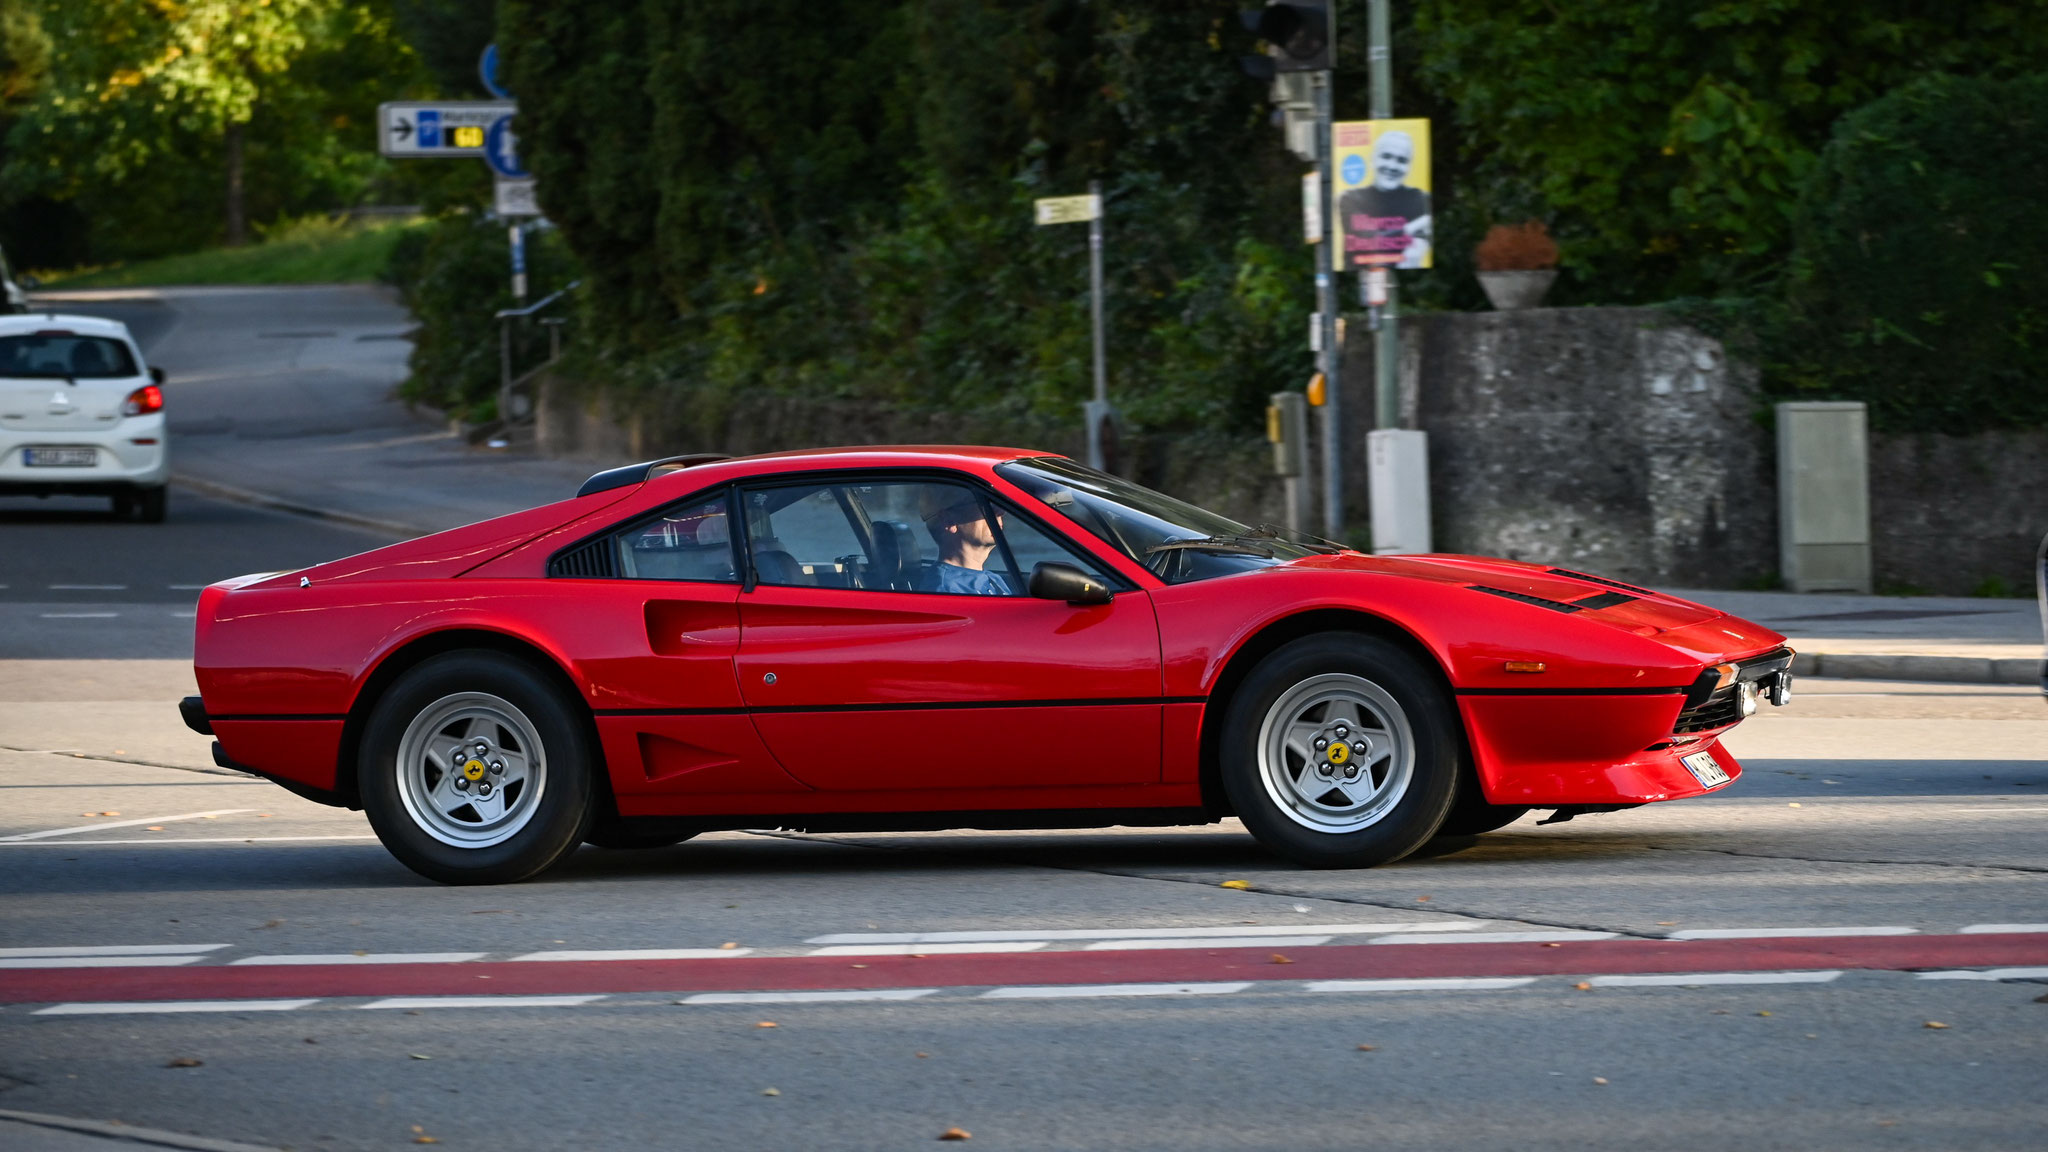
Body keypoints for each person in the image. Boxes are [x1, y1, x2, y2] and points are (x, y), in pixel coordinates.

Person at [1336, 129, 1432, 270]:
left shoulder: (1421, 199)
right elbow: (1373, 240)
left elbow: (1417, 249)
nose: (1392, 166)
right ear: (1372, 159)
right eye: (1386, 156)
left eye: (1402, 160)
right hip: (1358, 281)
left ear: (1409, 167)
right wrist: (1415, 225)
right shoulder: (1349, 198)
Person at [917, 488, 1014, 595]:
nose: (1001, 512)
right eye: (984, 504)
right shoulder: (945, 591)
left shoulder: (992, 578)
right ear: (949, 521)